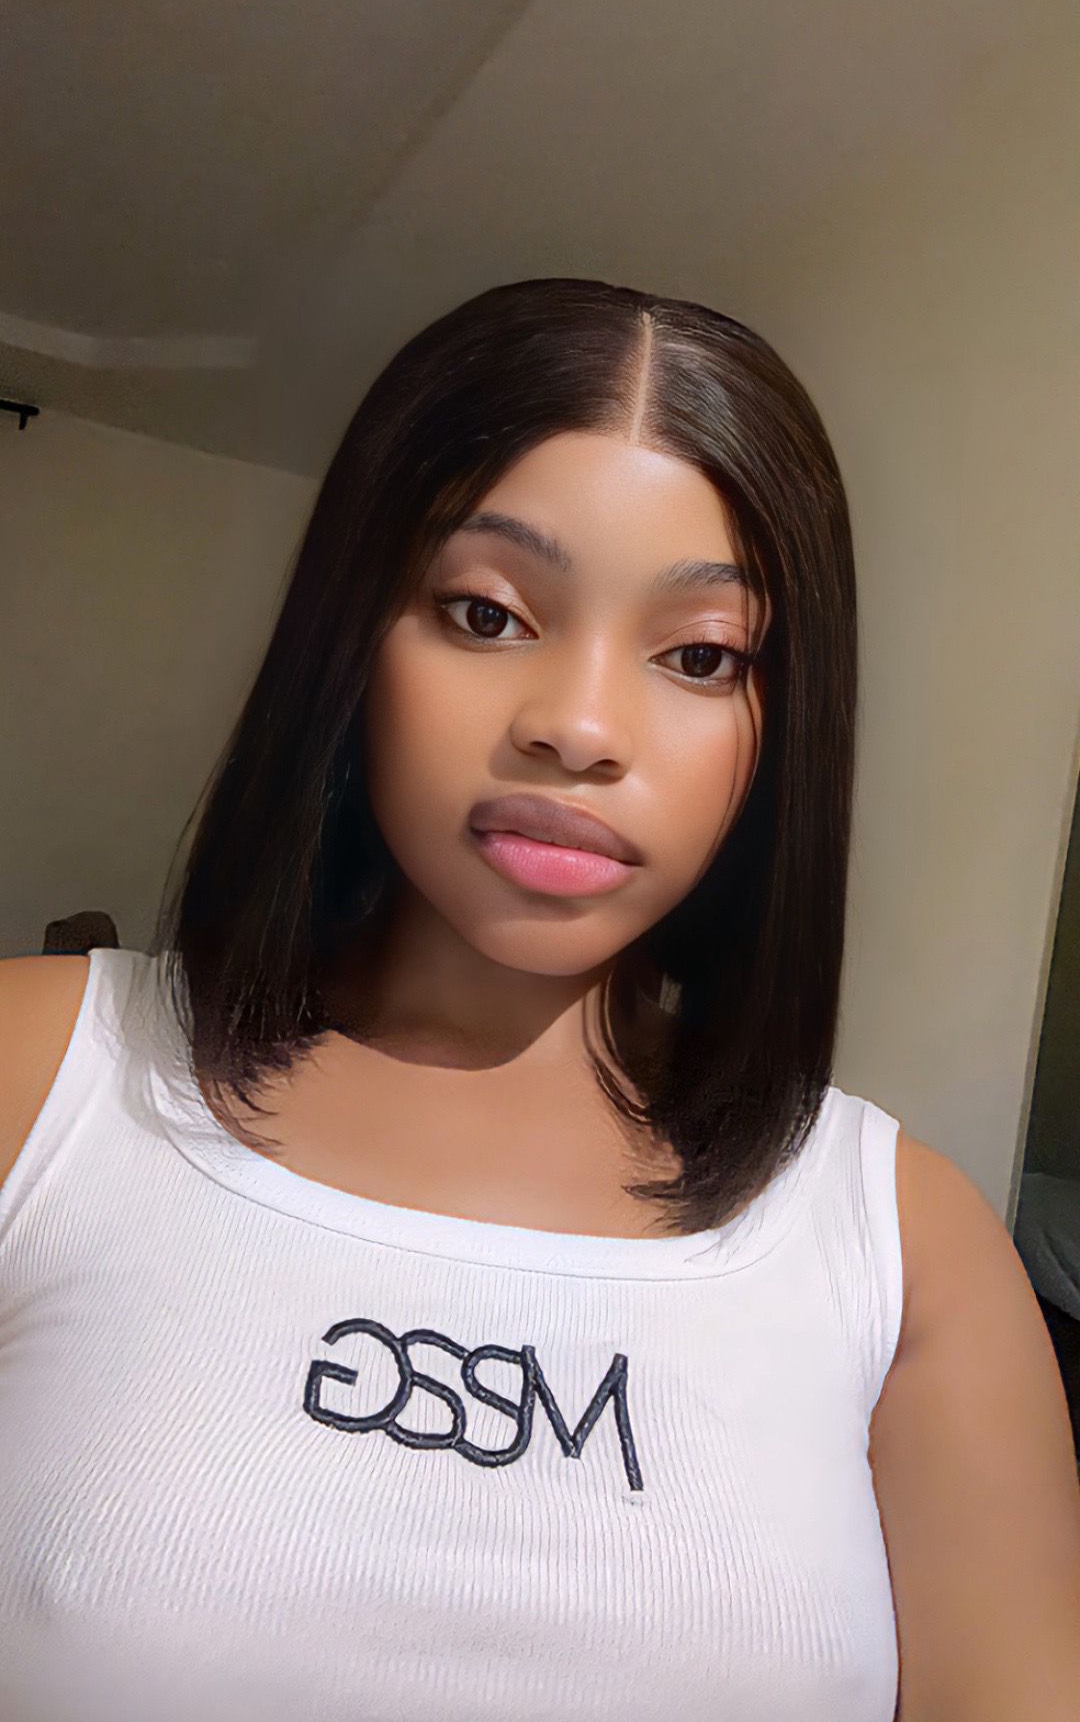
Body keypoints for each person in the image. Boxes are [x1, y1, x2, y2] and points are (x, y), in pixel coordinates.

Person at [1, 276, 1077, 1721]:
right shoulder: (42, 1076)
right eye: (487, 612)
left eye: (700, 656)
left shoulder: (910, 1248)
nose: (576, 726)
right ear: (350, 640)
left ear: (781, 728)